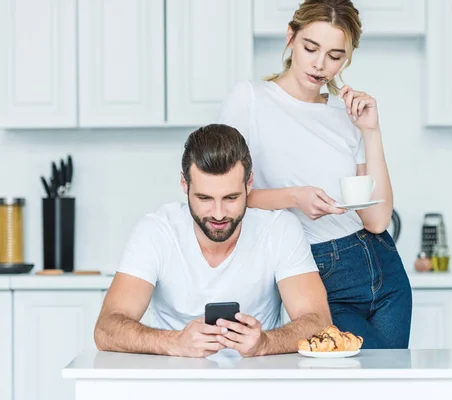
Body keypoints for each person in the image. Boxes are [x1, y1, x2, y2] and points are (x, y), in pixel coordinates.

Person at [218, 0, 412, 349]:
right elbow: (226, 197)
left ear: (347, 59)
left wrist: (371, 131)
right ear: (290, 38)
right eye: (311, 48)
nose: (321, 64)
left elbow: (377, 219)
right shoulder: (250, 100)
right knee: (362, 378)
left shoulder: (345, 114)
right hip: (317, 271)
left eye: (335, 55)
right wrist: (294, 197)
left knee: (390, 382)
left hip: (383, 266)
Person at [94, 124, 331, 358]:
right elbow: (106, 329)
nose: (218, 213)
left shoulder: (279, 229)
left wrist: (266, 343)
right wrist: (175, 342)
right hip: (175, 383)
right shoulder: (156, 232)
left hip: (255, 383)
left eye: (231, 197)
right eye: (204, 198)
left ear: (249, 184)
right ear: (184, 185)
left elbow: (319, 322)